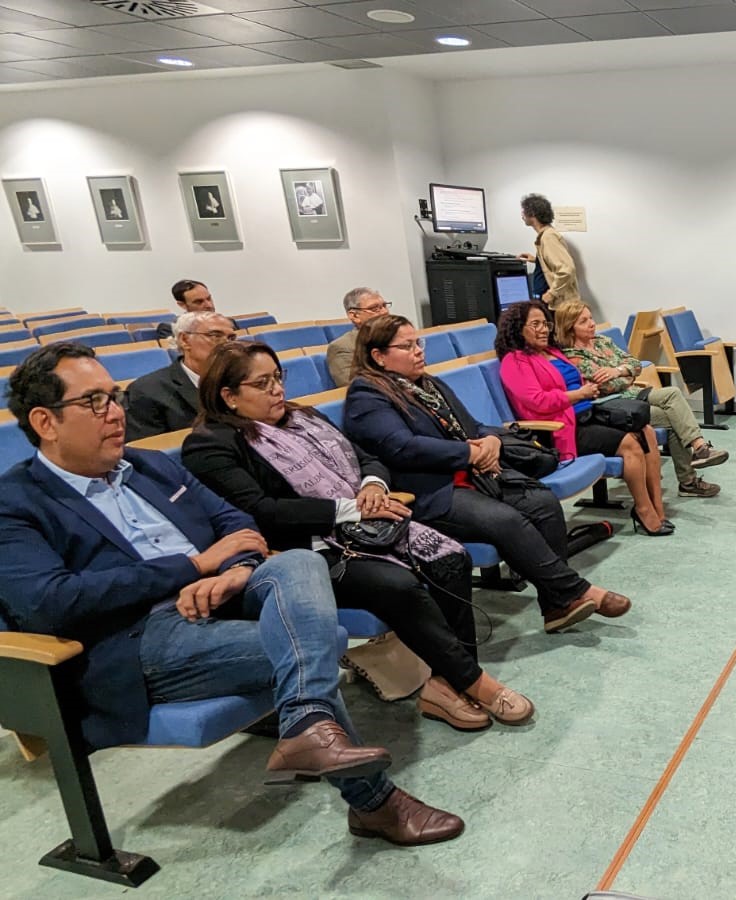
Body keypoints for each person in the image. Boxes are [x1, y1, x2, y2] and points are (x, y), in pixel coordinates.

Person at [0, 343, 462, 845]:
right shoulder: (16, 503)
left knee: (300, 562)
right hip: (138, 638)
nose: (115, 412)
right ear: (45, 421)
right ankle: (374, 802)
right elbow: (50, 601)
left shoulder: (149, 466)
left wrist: (236, 570)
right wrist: (191, 567)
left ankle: (307, 725)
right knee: (312, 641)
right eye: (94, 402)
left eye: (114, 396)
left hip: (221, 596)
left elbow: (234, 522)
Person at [182, 341, 534, 729]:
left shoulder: (305, 418)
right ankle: (477, 684)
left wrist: (372, 487)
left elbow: (368, 458)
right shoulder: (211, 444)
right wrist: (352, 509)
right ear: (229, 396)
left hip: (365, 526)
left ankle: (445, 685)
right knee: (399, 586)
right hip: (302, 553)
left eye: (278, 378)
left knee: (450, 557)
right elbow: (263, 510)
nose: (277, 389)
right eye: (262, 383)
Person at [342, 314, 632, 633]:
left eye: (418, 342)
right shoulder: (366, 395)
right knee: (507, 519)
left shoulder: (427, 384)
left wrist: (492, 440)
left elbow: (474, 426)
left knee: (543, 503)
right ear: (379, 356)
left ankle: (556, 605)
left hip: (472, 475)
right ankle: (573, 592)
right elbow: (402, 447)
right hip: (428, 491)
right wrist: (469, 453)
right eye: (407, 346)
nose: (419, 351)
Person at [497, 301, 672, 535]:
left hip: (586, 411)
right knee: (631, 443)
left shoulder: (551, 351)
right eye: (535, 324)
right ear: (518, 328)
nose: (543, 329)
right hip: (558, 427)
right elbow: (538, 401)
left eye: (545, 323)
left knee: (646, 431)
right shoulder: (515, 361)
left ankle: (658, 508)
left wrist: (588, 390)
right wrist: (579, 394)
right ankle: (643, 510)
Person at [553, 300, 728, 498]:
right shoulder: (573, 356)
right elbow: (607, 386)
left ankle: (699, 449)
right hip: (612, 405)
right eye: (583, 321)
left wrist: (617, 371)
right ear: (569, 327)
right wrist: (626, 375)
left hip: (633, 395)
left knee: (673, 394)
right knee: (673, 417)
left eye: (591, 318)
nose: (592, 323)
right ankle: (690, 478)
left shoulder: (602, 341)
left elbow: (635, 364)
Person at [126, 310, 235, 441]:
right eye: (215, 335)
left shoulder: (241, 379)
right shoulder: (147, 391)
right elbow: (149, 449)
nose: (227, 345)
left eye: (231, 338)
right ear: (185, 340)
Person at [516, 193, 579, 307]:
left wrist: (552, 293)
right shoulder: (546, 235)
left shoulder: (548, 237)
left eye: (523, 211)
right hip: (552, 303)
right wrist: (536, 260)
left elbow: (567, 270)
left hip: (557, 304)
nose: (522, 215)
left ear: (532, 213)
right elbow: (554, 264)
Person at [326, 287, 392, 387]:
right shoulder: (342, 347)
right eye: (375, 309)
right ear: (355, 316)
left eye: (384, 306)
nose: (384, 312)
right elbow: (354, 386)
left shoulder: (397, 336)